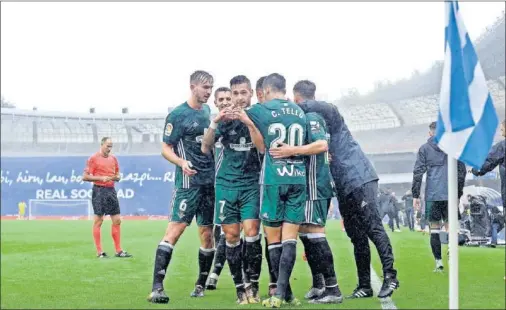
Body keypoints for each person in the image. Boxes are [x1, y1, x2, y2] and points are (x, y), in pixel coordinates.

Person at [282, 80, 398, 299]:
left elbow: (317, 106)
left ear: (299, 98)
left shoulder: (328, 111)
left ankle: (391, 276)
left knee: (373, 227)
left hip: (359, 177)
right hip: (343, 184)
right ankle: (364, 285)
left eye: (298, 102)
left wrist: (289, 107)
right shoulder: (318, 125)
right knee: (356, 236)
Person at [236, 73, 307, 308]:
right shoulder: (299, 112)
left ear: (266, 90)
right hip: (298, 178)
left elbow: (242, 113)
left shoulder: (263, 109)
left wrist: (240, 113)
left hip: (274, 179)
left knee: (274, 241)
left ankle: (278, 294)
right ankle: (286, 295)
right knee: (290, 240)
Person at [148, 70, 216, 304]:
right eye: (205, 87)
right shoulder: (177, 115)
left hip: (210, 183)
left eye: (211, 88)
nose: (208, 92)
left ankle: (200, 284)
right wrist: (181, 162)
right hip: (188, 184)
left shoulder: (208, 112)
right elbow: (165, 148)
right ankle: (157, 287)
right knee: (175, 231)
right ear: (192, 86)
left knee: (207, 235)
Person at [269, 107, 343, 304]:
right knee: (305, 233)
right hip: (308, 187)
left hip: (314, 185)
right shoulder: (309, 120)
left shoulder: (310, 118)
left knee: (314, 232)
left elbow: (321, 144)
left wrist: (290, 150)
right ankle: (319, 284)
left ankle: (333, 289)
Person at [202, 75, 263, 304]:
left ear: (251, 94)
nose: (238, 98)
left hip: (251, 184)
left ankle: (254, 286)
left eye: (242, 93)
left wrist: (248, 121)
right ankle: (240, 288)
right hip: (226, 185)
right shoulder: (223, 119)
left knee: (251, 231)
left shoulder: (258, 116)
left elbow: (262, 148)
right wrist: (215, 121)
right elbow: (206, 147)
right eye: (235, 94)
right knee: (231, 235)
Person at [412, 121, 467, 272]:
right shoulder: (453, 148)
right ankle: (451, 250)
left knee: (434, 228)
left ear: (430, 133)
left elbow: (418, 172)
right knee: (451, 226)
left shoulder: (424, 149)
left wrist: (415, 195)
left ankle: (438, 262)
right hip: (450, 193)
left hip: (433, 194)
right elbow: (461, 172)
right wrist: (458, 193)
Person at [82, 137, 131, 259]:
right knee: (99, 221)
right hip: (99, 191)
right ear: (102, 144)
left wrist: (115, 177)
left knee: (117, 220)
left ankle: (118, 250)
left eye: (111, 146)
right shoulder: (93, 158)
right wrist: (100, 178)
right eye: (107, 146)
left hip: (111, 190)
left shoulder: (113, 158)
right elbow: (85, 176)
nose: (109, 148)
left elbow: (117, 175)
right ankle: (100, 252)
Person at [205, 87, 232, 291]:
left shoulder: (244, 119)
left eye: (227, 98)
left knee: (244, 234)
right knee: (220, 231)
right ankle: (215, 272)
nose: (224, 102)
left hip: (246, 185)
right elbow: (205, 148)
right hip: (221, 185)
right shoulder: (213, 125)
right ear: (215, 102)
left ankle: (216, 273)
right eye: (220, 99)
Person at [470, 120, 505, 210]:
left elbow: (488, 162)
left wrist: (475, 169)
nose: (501, 133)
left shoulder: (502, 146)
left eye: (502, 130)